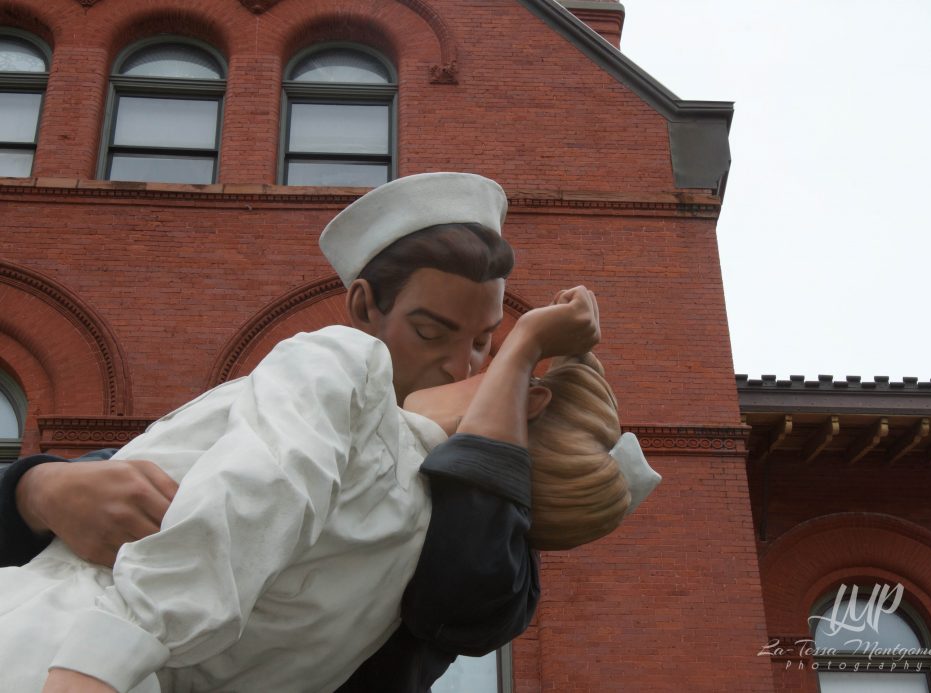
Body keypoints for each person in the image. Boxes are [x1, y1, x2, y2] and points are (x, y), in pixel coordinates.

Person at [0, 172, 660, 692]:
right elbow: (237, 482)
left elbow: (469, 573)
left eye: (486, 344)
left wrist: (519, 359)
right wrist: (37, 488)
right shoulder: (335, 365)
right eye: (433, 332)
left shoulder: (462, 538)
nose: (464, 366)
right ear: (366, 305)